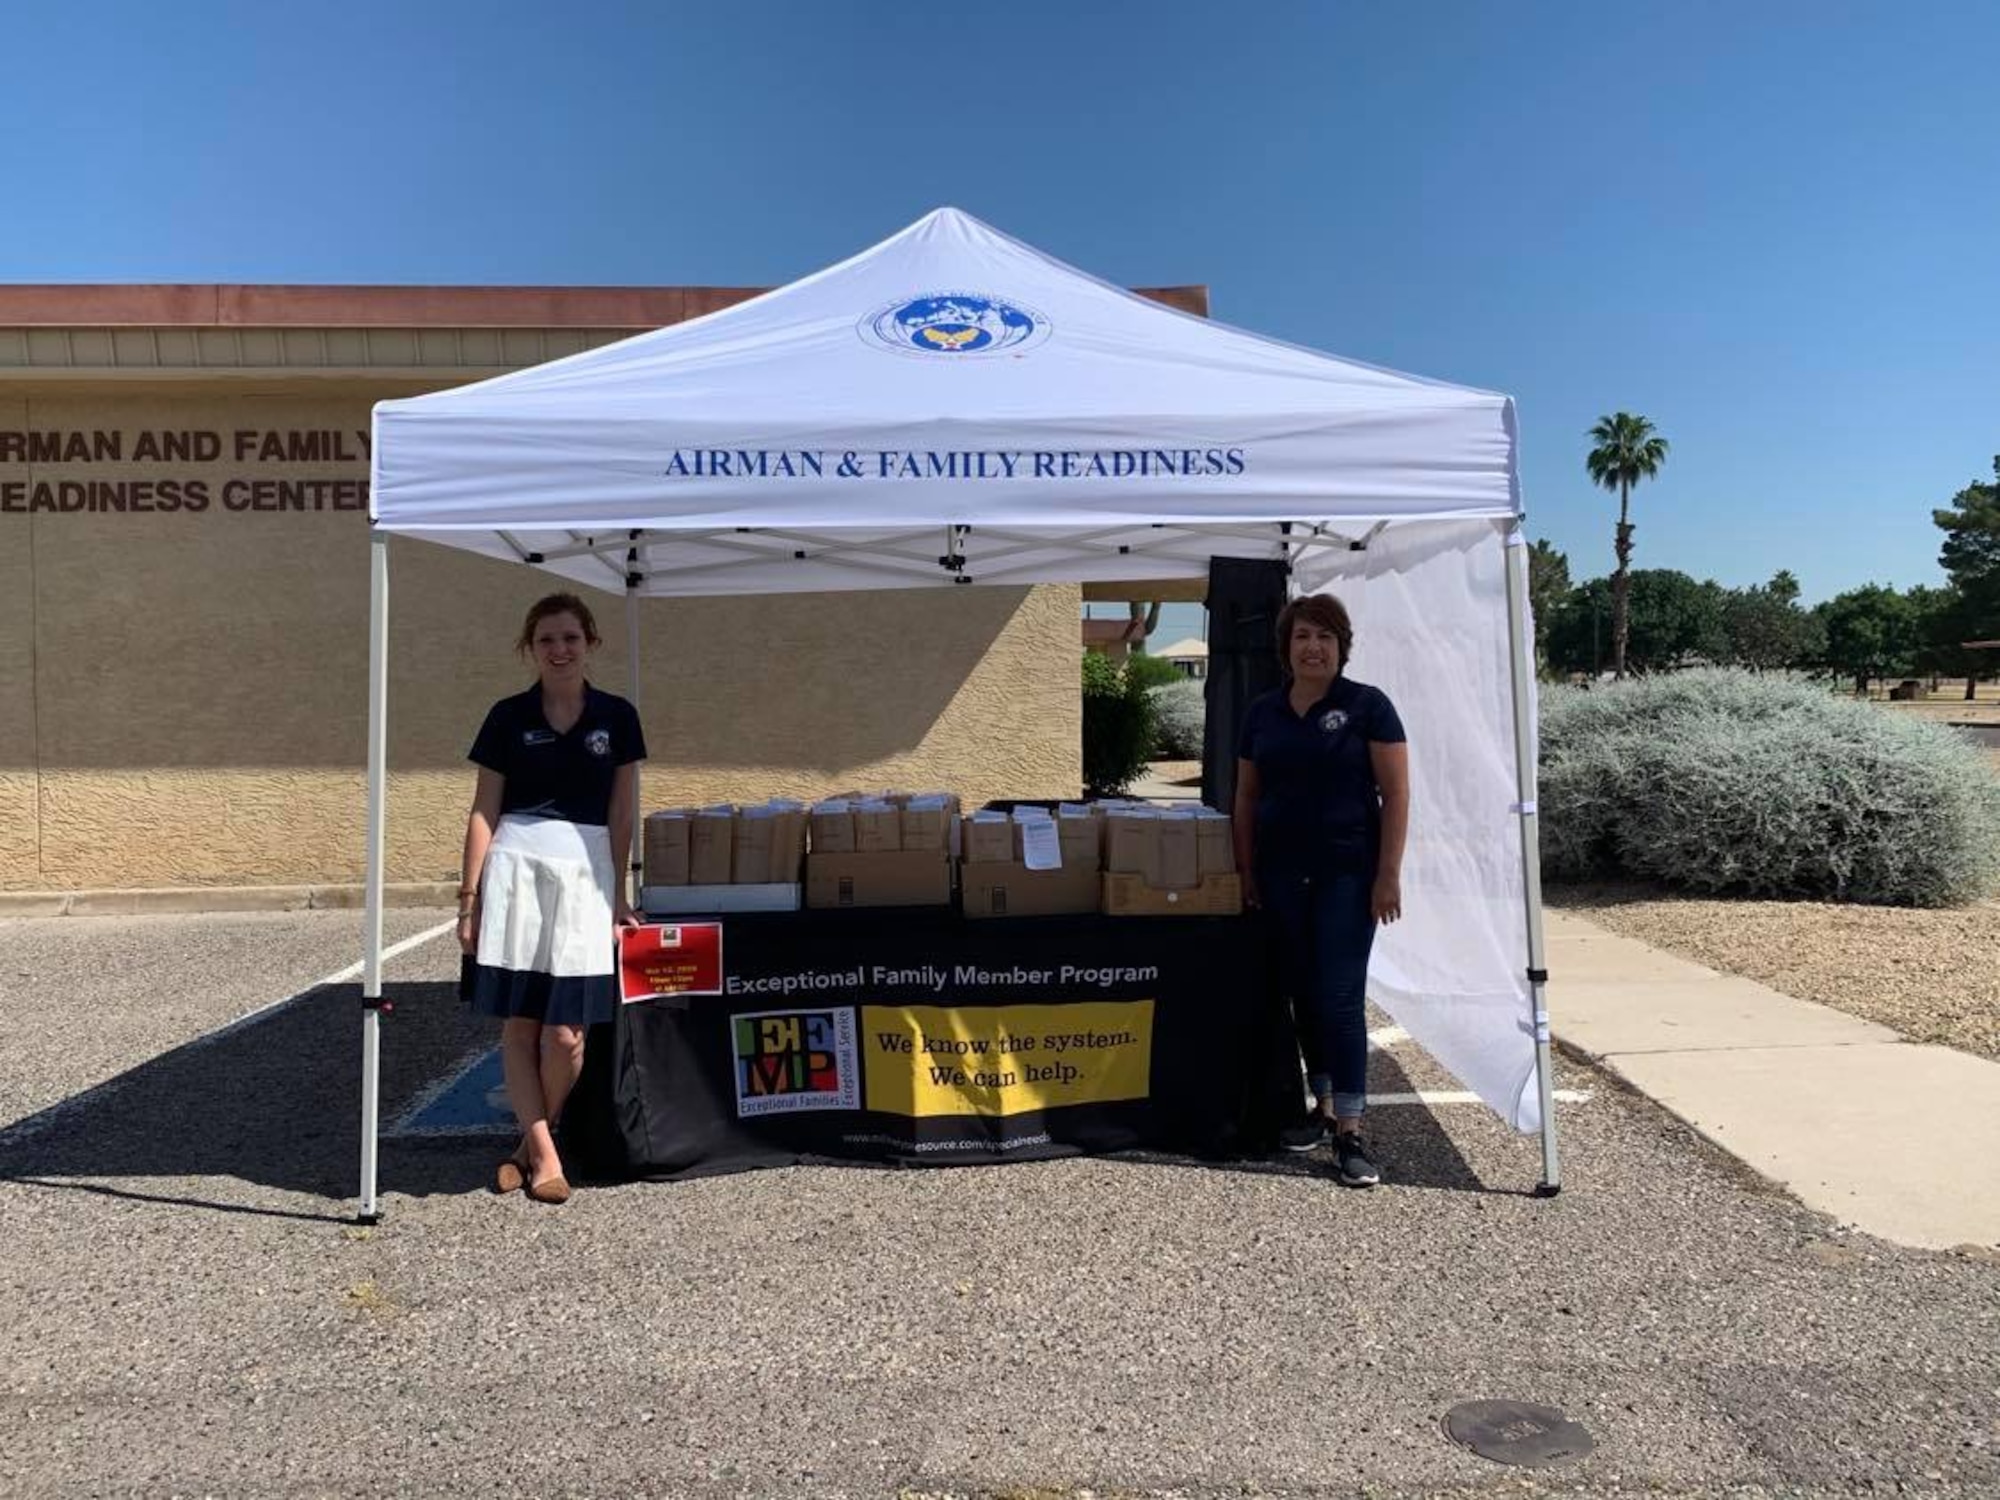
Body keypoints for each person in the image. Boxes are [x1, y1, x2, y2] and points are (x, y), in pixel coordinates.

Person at [458, 592, 646, 1204]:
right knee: (521, 1024)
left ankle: (526, 1145)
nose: (559, 649)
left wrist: (617, 891)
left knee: (566, 1033)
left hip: (586, 874)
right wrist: (470, 898)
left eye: (569, 637)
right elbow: (485, 810)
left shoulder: (618, 716)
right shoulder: (506, 717)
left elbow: (623, 811)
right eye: (546, 640)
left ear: (590, 642)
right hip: (515, 871)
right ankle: (544, 1155)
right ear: (529, 649)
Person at [1233, 592, 1410, 1187]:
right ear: (1286, 647)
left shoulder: (1368, 707)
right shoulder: (1262, 713)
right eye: (1303, 636)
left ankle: (1352, 1132)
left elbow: (1397, 794)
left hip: (1348, 876)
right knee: (1303, 995)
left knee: (1338, 997)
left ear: (1342, 647)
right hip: (1281, 875)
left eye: (1326, 638)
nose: (1314, 647)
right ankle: (1323, 1105)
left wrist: (1388, 874)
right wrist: (1245, 869)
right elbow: (1247, 797)